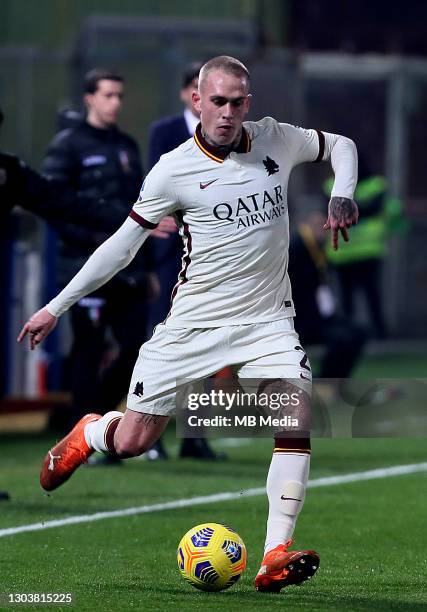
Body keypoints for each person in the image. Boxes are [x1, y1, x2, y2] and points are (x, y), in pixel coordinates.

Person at [19, 56, 358, 593]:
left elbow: (342, 144)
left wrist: (343, 190)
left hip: (269, 320)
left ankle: (274, 553)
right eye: (216, 101)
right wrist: (54, 306)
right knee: (134, 440)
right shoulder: (172, 169)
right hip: (193, 326)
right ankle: (91, 431)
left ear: (249, 103)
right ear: (196, 101)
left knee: (296, 415)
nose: (227, 113)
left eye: (237, 102)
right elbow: (121, 248)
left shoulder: (276, 138)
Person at [41, 69, 160, 434]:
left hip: (128, 269)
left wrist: (148, 267)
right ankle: (80, 428)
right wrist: (90, 243)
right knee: (89, 349)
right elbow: (53, 205)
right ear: (89, 98)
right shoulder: (67, 146)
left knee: (134, 349)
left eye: (119, 96)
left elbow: (141, 209)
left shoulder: (126, 145)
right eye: (108, 95)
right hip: (84, 266)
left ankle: (95, 422)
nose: (115, 103)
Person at [147, 61, 225, 461]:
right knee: (164, 343)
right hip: (170, 256)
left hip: (212, 259)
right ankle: (150, 436)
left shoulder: (230, 136)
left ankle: (194, 437)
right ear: (187, 94)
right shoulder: (163, 133)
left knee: (208, 346)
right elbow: (152, 195)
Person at [289, 209, 366, 378]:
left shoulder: (318, 249)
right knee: (344, 338)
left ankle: (332, 379)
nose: (325, 230)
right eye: (319, 225)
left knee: (358, 332)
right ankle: (326, 380)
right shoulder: (296, 247)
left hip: (318, 317)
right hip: (298, 321)